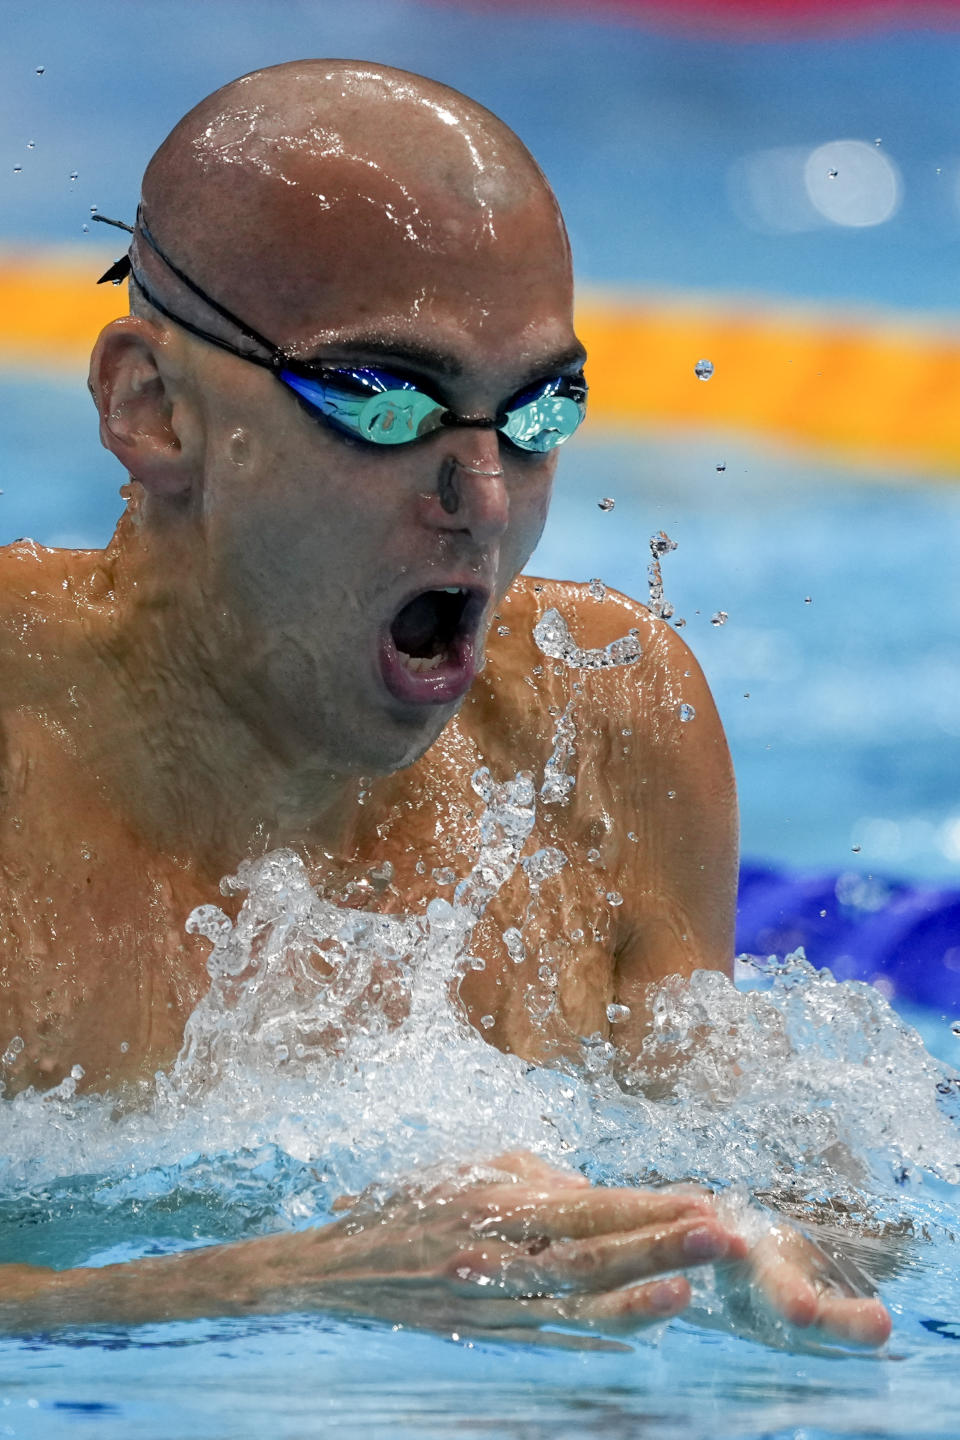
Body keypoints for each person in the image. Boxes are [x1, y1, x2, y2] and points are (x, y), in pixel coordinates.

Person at [0, 60, 890, 1348]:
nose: (484, 497)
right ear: (153, 408)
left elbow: (798, 1180)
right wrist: (278, 1283)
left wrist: (761, 1241)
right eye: (381, 397)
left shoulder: (607, 723)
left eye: (541, 409)